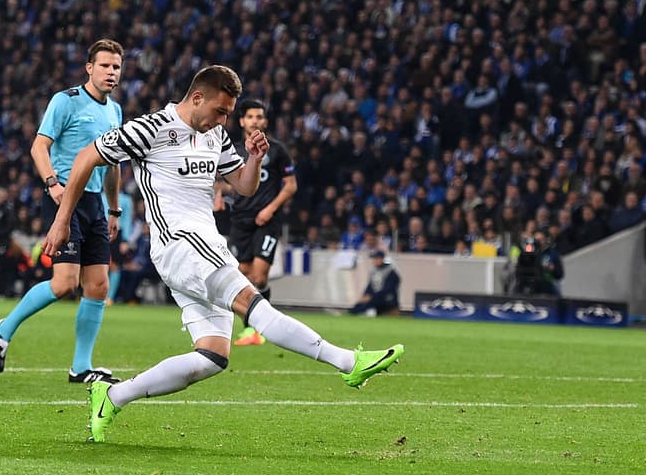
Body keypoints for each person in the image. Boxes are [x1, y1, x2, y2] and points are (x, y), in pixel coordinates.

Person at [42, 65, 404, 443]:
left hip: (203, 245)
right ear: (197, 98)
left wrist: (255, 159)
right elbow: (86, 157)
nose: (225, 119)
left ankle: (113, 395)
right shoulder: (150, 129)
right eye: (221, 110)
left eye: (229, 113)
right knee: (254, 303)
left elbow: (244, 187)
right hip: (181, 245)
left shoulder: (215, 134)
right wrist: (61, 220)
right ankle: (348, 362)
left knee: (212, 357)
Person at [0, 39, 124, 384]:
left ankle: (80, 367)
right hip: (64, 199)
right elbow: (39, 146)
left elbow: (113, 165)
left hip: (95, 204)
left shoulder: (115, 111)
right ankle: (4, 328)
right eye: (105, 65)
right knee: (64, 284)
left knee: (98, 286)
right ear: (89, 68)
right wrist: (52, 184)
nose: (111, 72)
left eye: (116, 67)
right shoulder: (66, 101)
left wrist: (115, 209)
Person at [225, 99, 296, 346]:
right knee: (241, 275)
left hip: (267, 221)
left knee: (259, 276)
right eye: (251, 116)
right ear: (242, 120)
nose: (256, 120)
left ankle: (255, 331)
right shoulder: (232, 149)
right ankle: (254, 329)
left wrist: (270, 209)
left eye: (260, 117)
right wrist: (217, 194)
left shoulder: (276, 150)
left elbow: (290, 186)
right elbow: (224, 180)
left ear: (265, 121)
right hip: (240, 220)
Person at [350, 250, 401, 316]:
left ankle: (369, 312)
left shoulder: (391, 272)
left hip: (386, 299)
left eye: (376, 258)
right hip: (375, 297)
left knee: (368, 304)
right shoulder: (374, 271)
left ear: (382, 259)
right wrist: (365, 295)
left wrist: (371, 297)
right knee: (357, 306)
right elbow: (370, 286)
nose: (374, 260)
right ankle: (365, 312)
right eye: (374, 259)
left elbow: (388, 290)